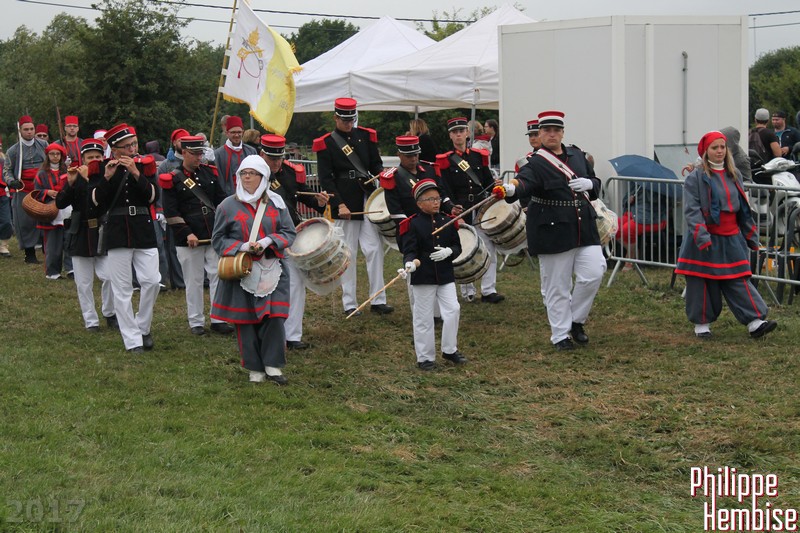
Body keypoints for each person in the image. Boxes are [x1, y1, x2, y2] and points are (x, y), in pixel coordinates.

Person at [504, 110, 606, 350]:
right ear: (539, 134)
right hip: (552, 229)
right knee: (557, 285)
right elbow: (524, 182)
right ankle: (560, 335)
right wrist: (512, 189)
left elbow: (595, 182)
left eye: (556, 130)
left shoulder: (577, 155)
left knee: (594, 272)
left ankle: (576, 320)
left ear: (562, 132)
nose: (552, 134)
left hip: (583, 226)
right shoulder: (535, 162)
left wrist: (590, 183)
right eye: (547, 130)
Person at [674, 130, 777, 339]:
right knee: (702, 282)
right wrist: (702, 236)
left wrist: (750, 235)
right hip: (705, 238)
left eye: (722, 147)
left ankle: (755, 322)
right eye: (715, 147)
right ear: (706, 151)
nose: (720, 151)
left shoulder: (734, 173)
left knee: (738, 279)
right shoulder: (696, 177)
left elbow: (742, 208)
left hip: (731, 237)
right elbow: (692, 210)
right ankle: (702, 325)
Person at [211, 155, 296, 385]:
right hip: (243, 271)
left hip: (273, 269)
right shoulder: (226, 206)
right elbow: (218, 240)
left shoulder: (277, 203)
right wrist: (242, 247)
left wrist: (268, 241)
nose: (247, 177)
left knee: (275, 318)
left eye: (252, 173)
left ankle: (272, 365)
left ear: (263, 177)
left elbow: (289, 232)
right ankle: (254, 368)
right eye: (243, 173)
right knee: (246, 320)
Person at [313, 97, 393, 316]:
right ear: (335, 118)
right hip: (345, 202)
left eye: (351, 120)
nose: (349, 124)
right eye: (344, 120)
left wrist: (382, 173)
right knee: (348, 253)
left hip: (367, 197)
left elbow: (375, 164)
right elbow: (326, 179)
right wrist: (339, 204)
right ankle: (350, 302)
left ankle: (378, 299)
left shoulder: (366, 136)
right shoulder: (327, 143)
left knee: (374, 249)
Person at [89, 123, 161, 353]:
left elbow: (153, 196)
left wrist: (137, 173)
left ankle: (143, 326)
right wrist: (107, 178)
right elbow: (95, 202)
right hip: (117, 231)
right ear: (115, 150)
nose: (132, 149)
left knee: (152, 281)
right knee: (122, 289)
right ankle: (132, 339)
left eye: (134, 144)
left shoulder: (145, 165)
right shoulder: (102, 168)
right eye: (127, 146)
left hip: (143, 228)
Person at [259, 134, 329, 350]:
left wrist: (318, 201)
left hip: (291, 234)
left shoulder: (289, 173)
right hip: (265, 237)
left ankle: (292, 335)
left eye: (279, 158)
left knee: (295, 284)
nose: (276, 163)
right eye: (272, 159)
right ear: (262, 155)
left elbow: (303, 196)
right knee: (264, 285)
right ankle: (264, 331)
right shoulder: (253, 175)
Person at [160, 135, 232, 336]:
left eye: (200, 153)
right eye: (194, 154)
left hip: (212, 232)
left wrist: (223, 228)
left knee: (218, 276)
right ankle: (196, 321)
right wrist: (187, 233)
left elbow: (221, 202)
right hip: (189, 237)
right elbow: (171, 212)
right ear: (184, 153)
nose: (199, 157)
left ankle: (218, 318)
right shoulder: (173, 179)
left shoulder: (210, 173)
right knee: (194, 280)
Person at [399, 179, 466, 370]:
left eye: (437, 198)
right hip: (423, 276)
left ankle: (449, 349)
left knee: (453, 310)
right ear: (419, 203)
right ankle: (425, 358)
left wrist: (449, 251)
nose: (436, 202)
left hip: (445, 274)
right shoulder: (412, 224)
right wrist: (409, 263)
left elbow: (457, 246)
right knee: (423, 317)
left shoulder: (447, 221)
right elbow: (409, 250)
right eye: (431, 199)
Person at [436, 116, 504, 304]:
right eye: (454, 132)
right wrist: (451, 209)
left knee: (488, 247)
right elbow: (444, 188)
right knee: (465, 249)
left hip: (481, 208)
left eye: (461, 131)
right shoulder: (445, 160)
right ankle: (468, 291)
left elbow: (487, 182)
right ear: (450, 136)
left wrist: (496, 185)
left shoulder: (478, 156)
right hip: (461, 210)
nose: (458, 134)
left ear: (467, 133)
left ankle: (489, 290)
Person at [55, 138, 117, 331]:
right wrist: (70, 183)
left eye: (98, 156)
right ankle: (91, 320)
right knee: (83, 282)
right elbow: (60, 203)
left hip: (102, 232)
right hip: (81, 233)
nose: (94, 160)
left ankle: (110, 312)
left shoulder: (108, 176)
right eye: (90, 157)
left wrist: (90, 180)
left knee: (109, 277)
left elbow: (101, 200)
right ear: (83, 159)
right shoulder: (75, 177)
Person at [3, 115, 46, 264]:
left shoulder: (43, 145)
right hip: (23, 189)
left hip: (42, 188)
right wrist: (11, 181)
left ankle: (48, 250)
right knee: (25, 221)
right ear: (20, 131)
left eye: (31, 129)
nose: (29, 132)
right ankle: (30, 253)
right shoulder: (13, 150)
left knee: (46, 217)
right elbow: (7, 170)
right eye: (26, 129)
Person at [32, 143, 72, 279]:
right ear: (47, 156)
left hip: (67, 210)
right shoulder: (42, 174)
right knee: (53, 244)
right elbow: (36, 192)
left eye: (58, 154)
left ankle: (71, 269)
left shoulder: (68, 171)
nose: (55, 156)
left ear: (61, 156)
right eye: (52, 154)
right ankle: (53, 272)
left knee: (69, 241)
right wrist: (47, 192)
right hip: (50, 212)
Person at [213, 116, 257, 196]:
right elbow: (219, 180)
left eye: (239, 132)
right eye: (233, 132)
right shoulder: (218, 154)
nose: (236, 135)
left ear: (243, 132)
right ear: (227, 133)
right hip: (227, 197)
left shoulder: (251, 151)